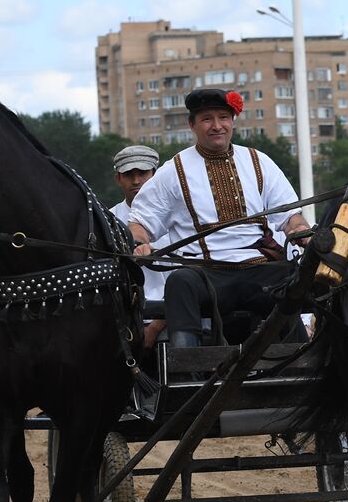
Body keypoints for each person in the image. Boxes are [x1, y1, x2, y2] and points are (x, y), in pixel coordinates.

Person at [127, 88, 310, 350]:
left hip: (257, 269)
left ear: (232, 121)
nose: (217, 126)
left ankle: (303, 360)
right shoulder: (173, 171)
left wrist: (301, 230)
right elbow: (140, 223)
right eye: (207, 119)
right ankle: (187, 366)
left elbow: (290, 216)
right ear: (192, 125)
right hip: (205, 274)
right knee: (179, 282)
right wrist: (139, 242)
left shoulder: (259, 161)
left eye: (223, 117)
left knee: (296, 277)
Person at [109, 145, 169, 349]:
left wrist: (155, 327)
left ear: (155, 174)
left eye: (143, 173)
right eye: (128, 174)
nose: (136, 181)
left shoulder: (176, 216)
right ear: (118, 178)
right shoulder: (108, 221)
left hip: (173, 317)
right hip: (123, 322)